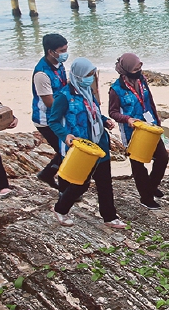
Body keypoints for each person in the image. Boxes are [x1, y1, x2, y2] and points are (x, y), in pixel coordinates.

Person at [48, 58, 126, 229]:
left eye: (92, 74)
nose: (91, 78)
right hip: (82, 148)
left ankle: (109, 216)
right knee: (80, 183)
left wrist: (105, 121)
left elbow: (93, 112)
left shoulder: (88, 91)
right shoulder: (64, 96)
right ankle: (61, 209)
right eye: (88, 75)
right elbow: (52, 121)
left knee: (105, 182)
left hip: (100, 144)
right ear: (78, 75)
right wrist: (65, 135)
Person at [109, 53, 168, 210]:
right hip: (133, 132)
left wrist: (157, 119)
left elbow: (150, 101)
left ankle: (151, 185)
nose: (139, 70)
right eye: (136, 68)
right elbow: (112, 112)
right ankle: (146, 197)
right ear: (127, 69)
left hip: (150, 127)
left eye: (140, 67)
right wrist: (127, 119)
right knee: (138, 166)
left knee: (162, 158)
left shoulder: (141, 80)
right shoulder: (116, 89)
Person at [32, 33, 70, 190]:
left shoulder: (58, 65)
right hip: (46, 120)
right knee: (65, 152)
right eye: (62, 50)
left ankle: (47, 174)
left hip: (59, 115)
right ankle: (64, 187)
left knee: (64, 151)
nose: (65, 53)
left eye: (66, 49)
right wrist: (69, 110)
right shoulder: (41, 73)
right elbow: (49, 102)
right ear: (50, 51)